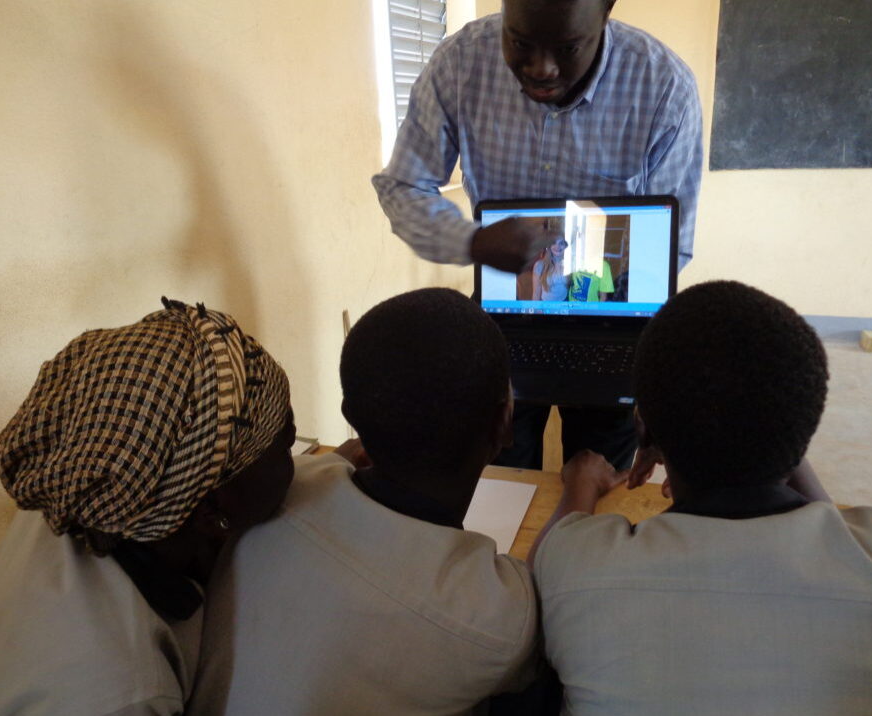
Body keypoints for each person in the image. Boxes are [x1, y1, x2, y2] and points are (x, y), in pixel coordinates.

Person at [530, 281, 872, 714]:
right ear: (806, 426)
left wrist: (582, 481)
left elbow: (546, 564)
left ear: (644, 431)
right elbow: (836, 529)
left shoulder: (578, 565)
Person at [193, 288, 607, 715]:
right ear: (504, 424)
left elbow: (332, 466)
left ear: (350, 418)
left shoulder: (288, 487)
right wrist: (581, 487)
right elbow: (541, 584)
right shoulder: (495, 618)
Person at [373, 0, 703, 472]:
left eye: (567, 47)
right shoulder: (460, 62)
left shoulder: (663, 87)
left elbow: (673, 245)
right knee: (500, 476)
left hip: (613, 324)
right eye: (520, 43)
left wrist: (653, 368)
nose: (541, 68)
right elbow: (403, 184)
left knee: (597, 478)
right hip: (502, 316)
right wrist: (472, 242)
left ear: (606, 12)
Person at [0, 298, 298, 716]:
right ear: (210, 508)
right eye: (288, 440)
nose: (299, 452)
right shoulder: (121, 693)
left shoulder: (85, 497)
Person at [532, 235, 570, 300]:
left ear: (566, 246)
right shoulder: (540, 265)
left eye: (561, 243)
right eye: (553, 243)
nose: (557, 247)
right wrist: (535, 309)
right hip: (545, 306)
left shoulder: (571, 264)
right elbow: (536, 293)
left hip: (565, 305)